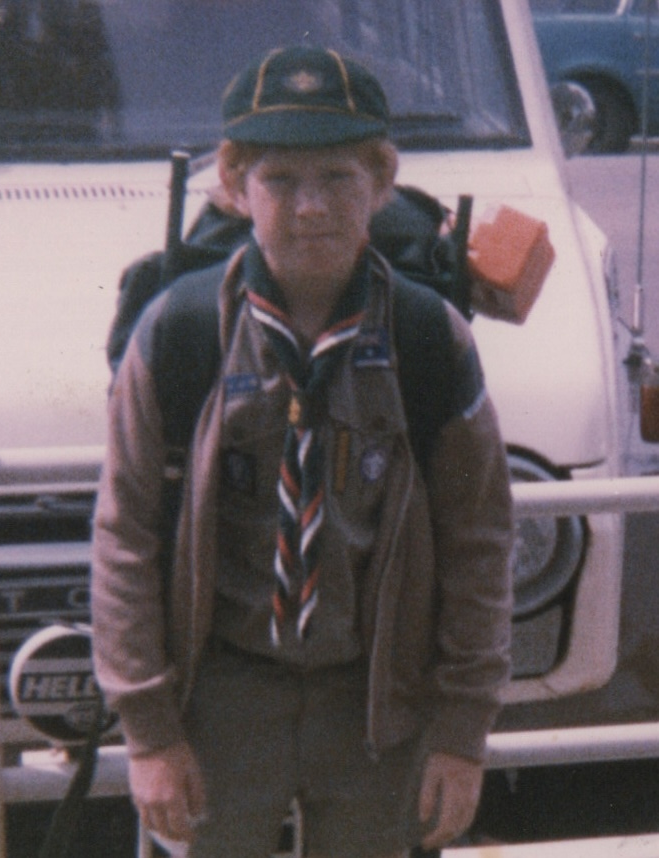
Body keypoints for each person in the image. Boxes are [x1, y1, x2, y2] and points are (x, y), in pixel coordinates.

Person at [91, 45, 514, 858]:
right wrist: (148, 731)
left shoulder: (428, 340)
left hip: (375, 702)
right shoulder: (180, 334)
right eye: (281, 180)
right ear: (233, 180)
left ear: (383, 179)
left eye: (339, 179)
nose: (311, 207)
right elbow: (125, 535)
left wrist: (462, 731)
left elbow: (480, 540)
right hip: (220, 697)